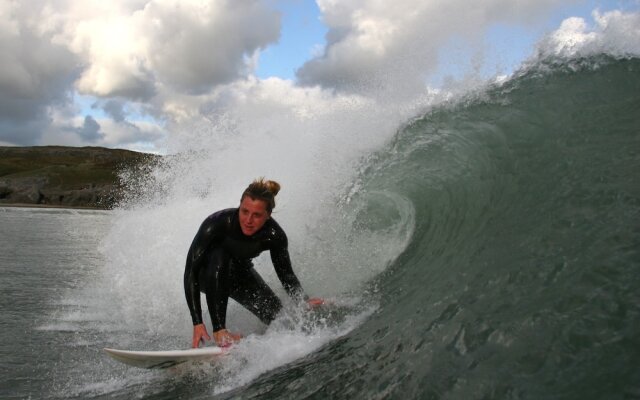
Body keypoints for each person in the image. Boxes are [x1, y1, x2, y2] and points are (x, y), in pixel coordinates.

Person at [184, 178, 323, 348]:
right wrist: (197, 322)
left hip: (238, 276)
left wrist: (303, 301)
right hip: (207, 275)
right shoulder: (216, 224)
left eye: (256, 215)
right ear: (239, 206)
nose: (248, 220)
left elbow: (286, 274)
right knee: (221, 253)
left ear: (268, 215)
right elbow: (191, 271)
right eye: (244, 211)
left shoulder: (274, 236)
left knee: (279, 319)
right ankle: (220, 331)